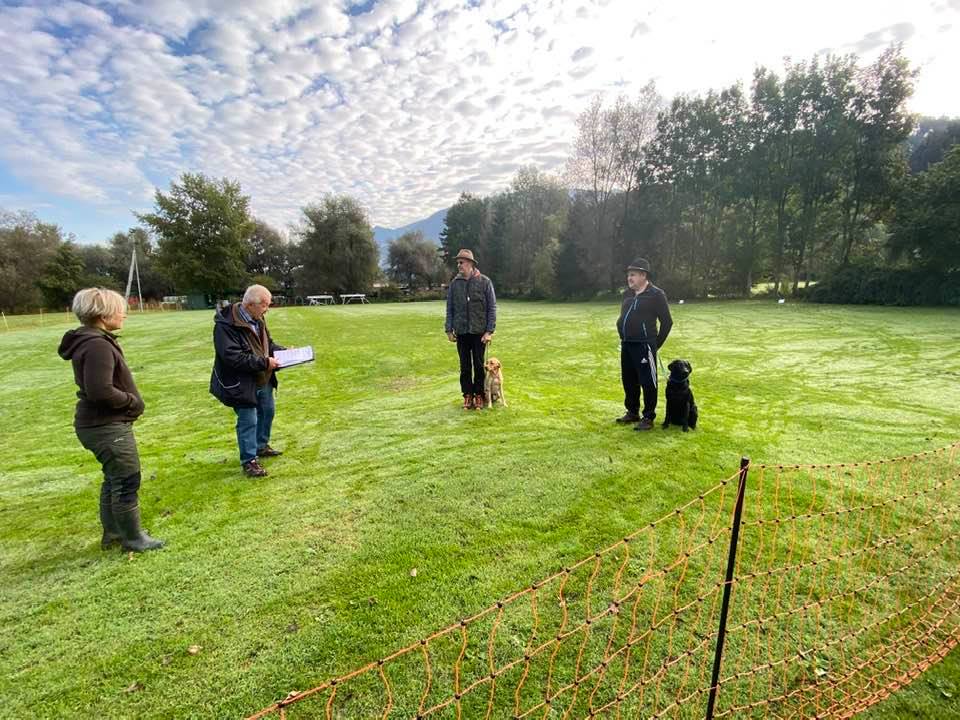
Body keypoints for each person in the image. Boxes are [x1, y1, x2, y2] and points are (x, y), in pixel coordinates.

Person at [58, 288, 164, 552]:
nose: (124, 314)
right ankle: (133, 538)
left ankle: (114, 533)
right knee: (127, 479)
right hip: (105, 427)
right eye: (120, 310)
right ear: (103, 315)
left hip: (100, 424)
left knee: (114, 478)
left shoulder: (92, 340)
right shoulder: (97, 345)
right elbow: (100, 391)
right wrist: (132, 402)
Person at [210, 284, 285, 477]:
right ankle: (249, 461)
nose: (267, 309)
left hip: (263, 378)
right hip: (241, 382)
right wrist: (265, 362)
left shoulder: (258, 319)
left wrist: (284, 353)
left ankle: (261, 446)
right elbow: (233, 357)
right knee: (248, 420)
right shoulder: (225, 326)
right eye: (265, 305)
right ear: (250, 304)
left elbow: (267, 345)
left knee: (267, 412)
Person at [615, 258, 673, 431]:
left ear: (643, 275)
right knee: (629, 380)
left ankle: (648, 417)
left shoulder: (656, 295)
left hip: (644, 345)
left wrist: (655, 344)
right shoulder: (627, 294)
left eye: (633, 274)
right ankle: (632, 412)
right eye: (628, 275)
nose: (629, 278)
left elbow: (667, 322)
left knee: (648, 382)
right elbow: (624, 317)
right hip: (627, 344)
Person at [445, 248, 497, 409]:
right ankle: (467, 395)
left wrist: (489, 331)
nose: (459, 265)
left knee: (479, 365)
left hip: (479, 332)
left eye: (461, 262)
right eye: (458, 262)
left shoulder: (485, 282)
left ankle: (479, 395)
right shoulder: (454, 284)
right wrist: (448, 329)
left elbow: (492, 308)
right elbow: (449, 308)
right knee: (465, 367)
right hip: (461, 332)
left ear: (470, 263)